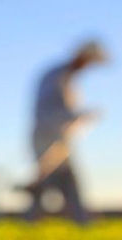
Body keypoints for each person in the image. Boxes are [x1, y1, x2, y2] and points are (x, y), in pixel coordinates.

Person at [25, 41, 107, 223]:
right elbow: (50, 110)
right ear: (82, 57)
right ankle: (78, 222)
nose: (88, 66)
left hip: (60, 140)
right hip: (47, 138)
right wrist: (83, 115)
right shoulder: (56, 76)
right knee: (50, 182)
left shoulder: (68, 78)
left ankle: (79, 222)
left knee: (62, 182)